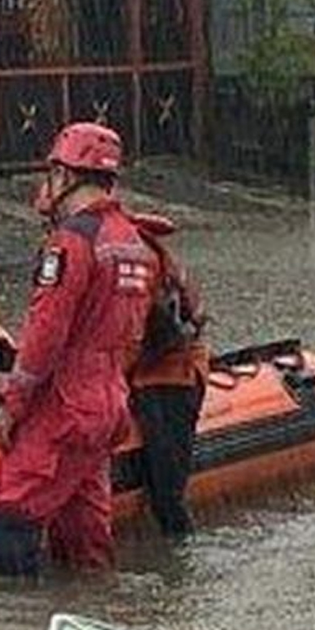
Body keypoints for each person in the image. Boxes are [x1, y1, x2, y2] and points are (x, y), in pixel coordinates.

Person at [0, 123, 157, 574]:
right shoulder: (133, 240)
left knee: (7, 514)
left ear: (64, 175)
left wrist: (12, 407)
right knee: (85, 531)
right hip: (109, 398)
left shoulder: (73, 241)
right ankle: (92, 612)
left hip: (68, 402)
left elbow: (45, 331)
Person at [125, 212, 211, 537]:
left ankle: (177, 563)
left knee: (167, 493)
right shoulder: (143, 255)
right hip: (157, 366)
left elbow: (135, 338)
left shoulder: (141, 264)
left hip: (170, 376)